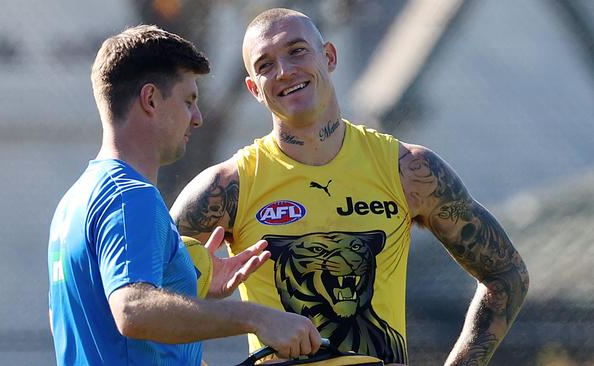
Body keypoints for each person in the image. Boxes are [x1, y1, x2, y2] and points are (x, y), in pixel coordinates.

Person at [170, 8, 529, 365]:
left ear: (329, 56)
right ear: (254, 89)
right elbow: (140, 301)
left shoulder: (408, 170)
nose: (284, 71)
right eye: (265, 65)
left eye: (297, 51)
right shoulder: (227, 187)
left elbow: (506, 274)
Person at [47, 24, 321, 366]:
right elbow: (132, 310)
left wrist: (187, 283)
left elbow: (74, 320)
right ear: (150, 100)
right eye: (189, 101)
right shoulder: (130, 196)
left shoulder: (74, 200)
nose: (197, 118)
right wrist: (256, 317)